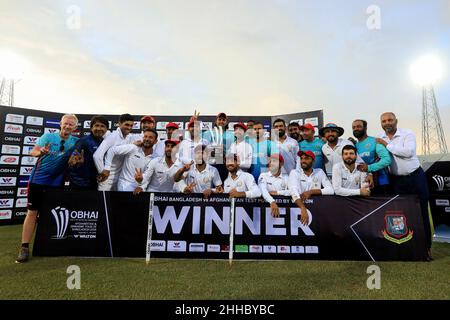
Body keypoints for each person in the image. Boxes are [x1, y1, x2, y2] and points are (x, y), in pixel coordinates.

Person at [16, 114, 79, 263]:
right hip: (38, 180)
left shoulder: (75, 142)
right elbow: (33, 151)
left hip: (56, 183)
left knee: (50, 214)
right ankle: (24, 247)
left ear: (75, 128)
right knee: (32, 213)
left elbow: (76, 159)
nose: (67, 126)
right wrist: (40, 152)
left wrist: (76, 161)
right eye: (66, 124)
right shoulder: (48, 137)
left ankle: (49, 246)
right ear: (60, 124)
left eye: (71, 125)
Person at [376, 112, 432, 259]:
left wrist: (387, 145)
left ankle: (426, 249)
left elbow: (408, 152)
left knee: (421, 213)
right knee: (399, 215)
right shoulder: (379, 138)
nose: (387, 123)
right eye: (384, 121)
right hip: (396, 181)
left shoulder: (407, 134)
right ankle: (404, 246)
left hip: (415, 177)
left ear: (396, 121)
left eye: (390, 120)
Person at [93, 113, 135, 191]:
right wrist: (103, 172)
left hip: (119, 178)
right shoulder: (113, 136)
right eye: (126, 124)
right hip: (107, 179)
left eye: (131, 125)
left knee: (115, 202)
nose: (129, 127)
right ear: (119, 124)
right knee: (103, 202)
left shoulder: (129, 137)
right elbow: (97, 155)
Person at [67, 115, 109, 190]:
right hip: (79, 184)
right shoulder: (83, 141)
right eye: (96, 126)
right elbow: (72, 161)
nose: (99, 128)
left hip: (95, 183)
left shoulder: (105, 142)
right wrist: (75, 163)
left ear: (106, 129)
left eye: (102, 126)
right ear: (91, 128)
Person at [352, 119, 391, 194]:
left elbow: (387, 160)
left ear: (365, 128)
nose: (356, 129)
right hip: (364, 182)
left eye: (359, 126)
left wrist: (369, 168)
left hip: (380, 181)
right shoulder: (354, 146)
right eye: (353, 127)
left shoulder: (375, 141)